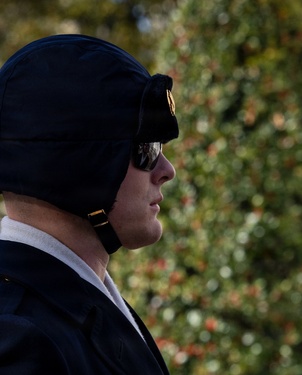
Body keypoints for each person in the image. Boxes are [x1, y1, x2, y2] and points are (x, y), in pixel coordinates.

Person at [0, 34, 178, 374]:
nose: (166, 170)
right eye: (147, 148)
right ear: (82, 164)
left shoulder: (75, 299)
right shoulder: (19, 338)